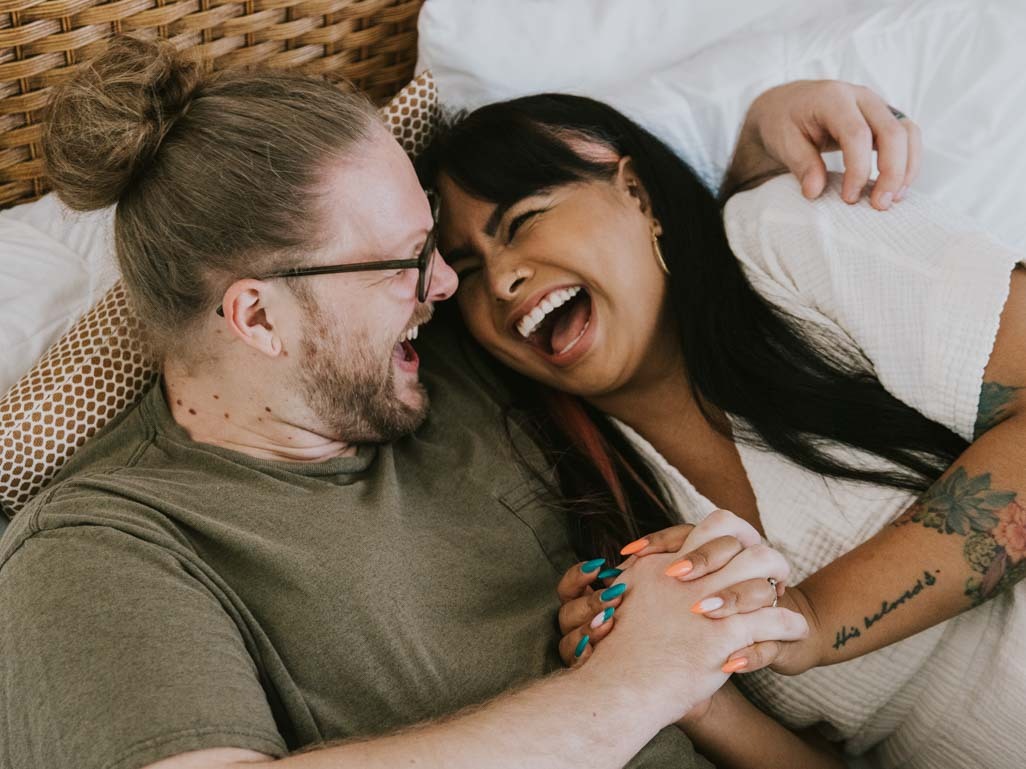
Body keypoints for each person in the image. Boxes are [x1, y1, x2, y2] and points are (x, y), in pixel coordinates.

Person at [0, 37, 922, 769]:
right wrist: (635, 680)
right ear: (259, 317)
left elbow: (613, 258)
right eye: (406, 260)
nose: (447, 283)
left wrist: (755, 142)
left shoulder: (448, 367)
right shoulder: (98, 549)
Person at [426, 92, 1026, 768]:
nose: (502, 281)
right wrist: (691, 696)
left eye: (523, 221)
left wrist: (814, 619)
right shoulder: (605, 513)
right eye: (468, 272)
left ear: (635, 193)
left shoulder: (779, 236)